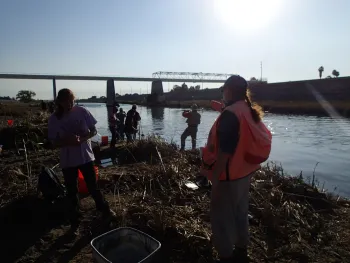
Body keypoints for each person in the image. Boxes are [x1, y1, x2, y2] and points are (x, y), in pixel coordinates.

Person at [200, 75, 272, 263]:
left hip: (228, 176)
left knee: (221, 219)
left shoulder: (231, 114)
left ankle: (226, 256)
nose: (223, 93)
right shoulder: (246, 109)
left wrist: (214, 178)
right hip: (244, 173)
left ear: (229, 91)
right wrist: (222, 108)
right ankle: (241, 249)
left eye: (224, 90)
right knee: (240, 211)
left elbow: (225, 151)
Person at [48, 88, 115, 235]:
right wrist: (67, 141)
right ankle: (75, 222)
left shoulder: (82, 111)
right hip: (68, 160)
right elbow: (53, 143)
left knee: (93, 187)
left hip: (86, 157)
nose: (69, 104)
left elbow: (94, 131)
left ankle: (106, 212)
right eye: (66, 102)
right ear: (59, 102)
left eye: (71, 101)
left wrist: (82, 139)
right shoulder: (54, 118)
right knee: (72, 191)